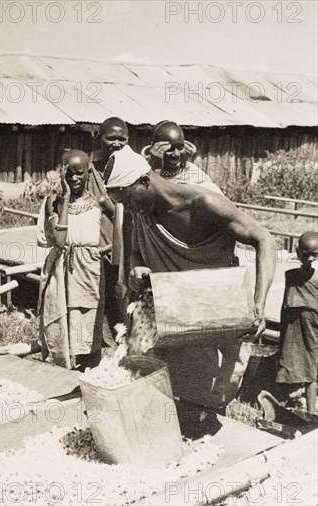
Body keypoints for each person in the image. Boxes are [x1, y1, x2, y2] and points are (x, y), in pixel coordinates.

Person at [104, 145, 277, 408]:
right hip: (165, 309)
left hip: (212, 311)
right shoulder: (140, 211)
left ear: (144, 181)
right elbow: (136, 253)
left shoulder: (203, 203)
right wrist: (137, 268)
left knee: (209, 394)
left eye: (127, 199)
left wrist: (259, 305)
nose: (125, 207)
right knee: (151, 384)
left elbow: (265, 240)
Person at [37, 150, 110, 371]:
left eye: (79, 174)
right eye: (69, 175)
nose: (74, 179)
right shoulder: (53, 202)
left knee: (88, 314)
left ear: (89, 172)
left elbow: (125, 223)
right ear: (61, 174)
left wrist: (108, 248)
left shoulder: (100, 201)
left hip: (90, 266)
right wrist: (66, 198)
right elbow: (59, 239)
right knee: (61, 315)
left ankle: (89, 370)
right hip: (61, 264)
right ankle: (62, 369)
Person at [88, 118, 131, 341]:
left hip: (124, 246)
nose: (116, 143)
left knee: (121, 295)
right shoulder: (87, 172)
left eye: (121, 139)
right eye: (110, 138)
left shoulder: (134, 171)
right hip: (94, 248)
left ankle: (126, 344)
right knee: (96, 296)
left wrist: (109, 207)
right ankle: (98, 347)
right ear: (99, 139)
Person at [276, 231, 318, 413]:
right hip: (292, 328)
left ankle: (310, 413)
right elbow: (285, 304)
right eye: (305, 254)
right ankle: (281, 408)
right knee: (286, 363)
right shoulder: (290, 276)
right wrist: (282, 328)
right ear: (297, 251)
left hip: (312, 329)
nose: (309, 259)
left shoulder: (317, 279)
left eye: (314, 255)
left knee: (311, 369)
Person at [142, 120, 222, 194]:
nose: (176, 154)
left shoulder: (193, 173)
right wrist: (157, 169)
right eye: (169, 149)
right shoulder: (143, 171)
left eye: (180, 148)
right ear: (155, 150)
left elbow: (220, 202)